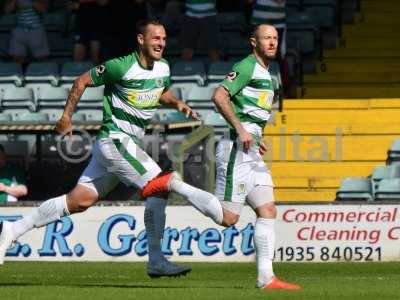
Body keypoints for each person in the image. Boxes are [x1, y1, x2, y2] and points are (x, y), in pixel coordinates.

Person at [0, 20, 224, 278]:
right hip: (116, 141)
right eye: (155, 38)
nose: (161, 43)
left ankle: (13, 230)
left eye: (163, 39)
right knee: (162, 185)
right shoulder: (120, 66)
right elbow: (81, 81)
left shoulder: (163, 67)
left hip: (125, 146)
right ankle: (167, 251)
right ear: (141, 40)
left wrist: (177, 103)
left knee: (78, 201)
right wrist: (66, 118)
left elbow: (159, 91)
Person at [211, 24, 301, 290]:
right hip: (234, 150)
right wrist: (241, 130)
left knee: (268, 209)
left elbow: (251, 113)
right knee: (229, 218)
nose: (272, 42)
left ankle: (266, 277)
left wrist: (255, 139)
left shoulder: (268, 72)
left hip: (251, 152)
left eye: (275, 38)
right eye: (267, 38)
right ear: (254, 42)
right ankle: (174, 184)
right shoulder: (248, 66)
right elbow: (219, 95)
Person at [68, 0, 108, 64]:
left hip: (97, 25)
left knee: (95, 57)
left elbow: (103, 2)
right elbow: (71, 6)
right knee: (77, 58)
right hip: (81, 26)